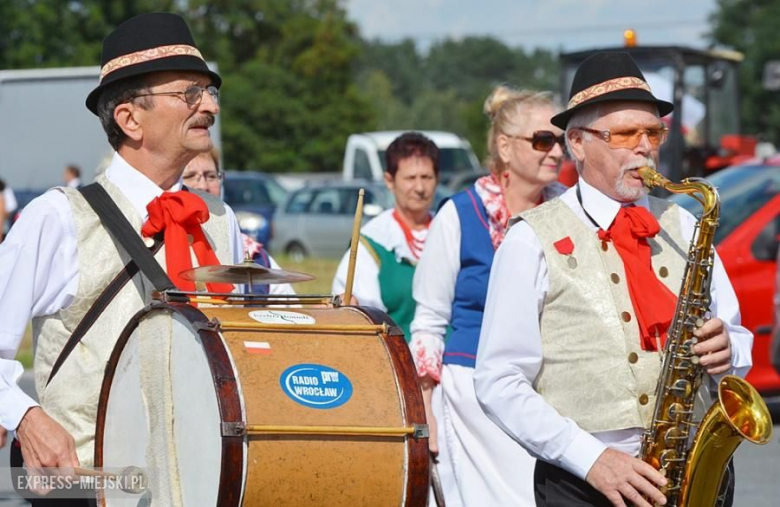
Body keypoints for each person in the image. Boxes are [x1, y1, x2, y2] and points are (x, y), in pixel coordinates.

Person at [474, 52, 752, 507]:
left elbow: (738, 338)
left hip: (692, 473)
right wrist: (590, 458)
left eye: (653, 132)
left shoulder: (684, 225)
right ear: (578, 143)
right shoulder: (530, 241)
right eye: (625, 133)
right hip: (585, 483)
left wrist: (729, 351)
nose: (645, 146)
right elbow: (498, 381)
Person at [0, 13, 242, 504]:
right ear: (129, 118)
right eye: (188, 93)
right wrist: (26, 417)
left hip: (203, 486)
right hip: (90, 488)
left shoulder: (221, 219)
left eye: (209, 93)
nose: (209, 107)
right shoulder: (58, 216)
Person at [409, 85, 568, 506]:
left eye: (561, 140)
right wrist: (427, 414)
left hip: (551, 388)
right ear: (504, 146)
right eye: (542, 140)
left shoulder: (569, 213)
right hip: (473, 394)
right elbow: (428, 321)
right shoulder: (458, 215)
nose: (555, 152)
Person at [332, 132, 439, 338]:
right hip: (396, 363)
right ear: (390, 181)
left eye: (426, 177)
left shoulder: (450, 231)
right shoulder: (372, 243)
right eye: (410, 178)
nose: (419, 188)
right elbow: (359, 321)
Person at [183, 147, 294, 295]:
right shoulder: (163, 245)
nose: (203, 186)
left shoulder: (254, 255)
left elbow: (288, 308)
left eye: (211, 176)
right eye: (190, 176)